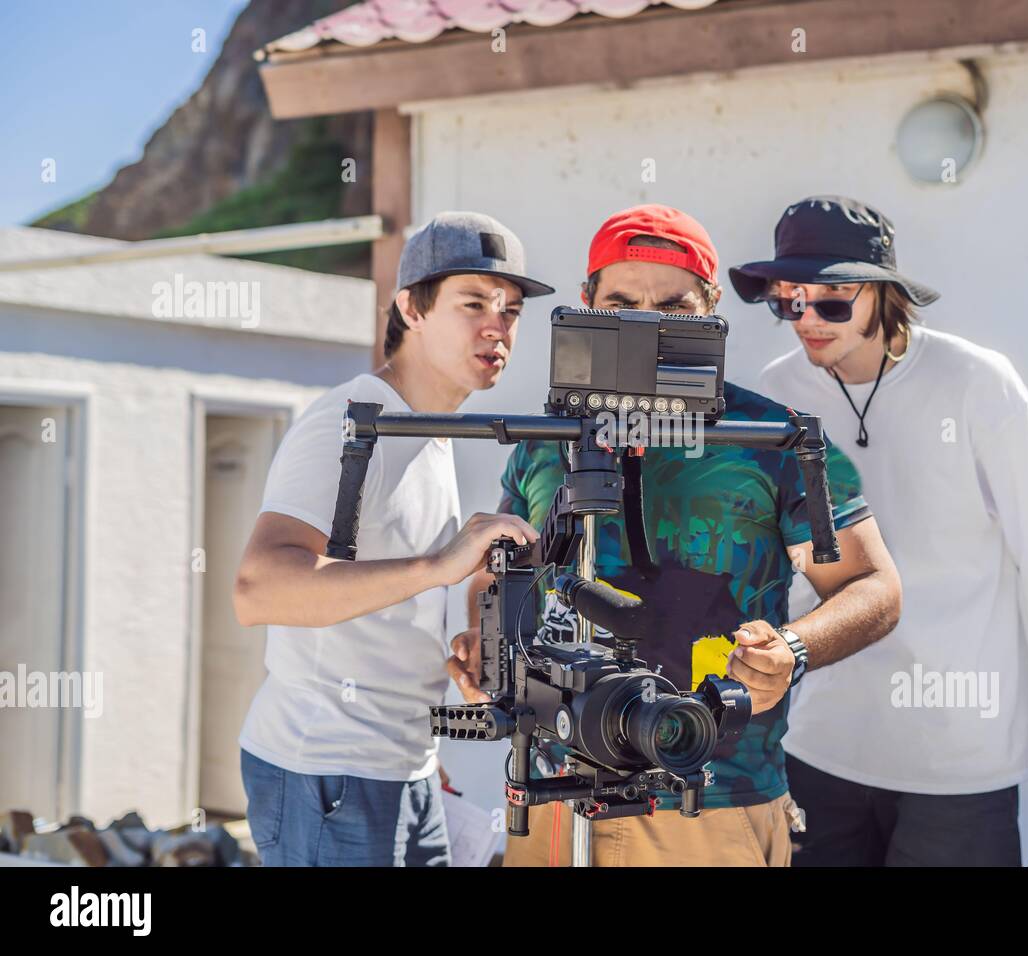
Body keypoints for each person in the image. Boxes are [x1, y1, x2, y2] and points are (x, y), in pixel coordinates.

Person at [449, 204, 902, 866]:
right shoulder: (546, 440)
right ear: (587, 303)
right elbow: (502, 567)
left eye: (674, 304)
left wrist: (792, 651)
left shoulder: (772, 439)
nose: (647, 322)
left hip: (713, 803)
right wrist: (487, 647)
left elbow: (873, 584)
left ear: (712, 305)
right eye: (623, 301)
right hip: (551, 794)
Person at [730, 195, 1028, 866]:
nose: (806, 321)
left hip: (962, 768)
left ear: (885, 295)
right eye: (788, 301)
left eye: (831, 300)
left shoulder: (978, 384)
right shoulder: (775, 397)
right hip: (818, 751)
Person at [231, 212, 553, 866]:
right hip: (326, 773)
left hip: (409, 770)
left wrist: (457, 643)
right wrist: (439, 565)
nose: (498, 326)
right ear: (410, 307)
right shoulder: (347, 426)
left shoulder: (430, 431)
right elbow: (257, 588)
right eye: (473, 303)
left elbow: (385, 594)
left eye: (511, 310)